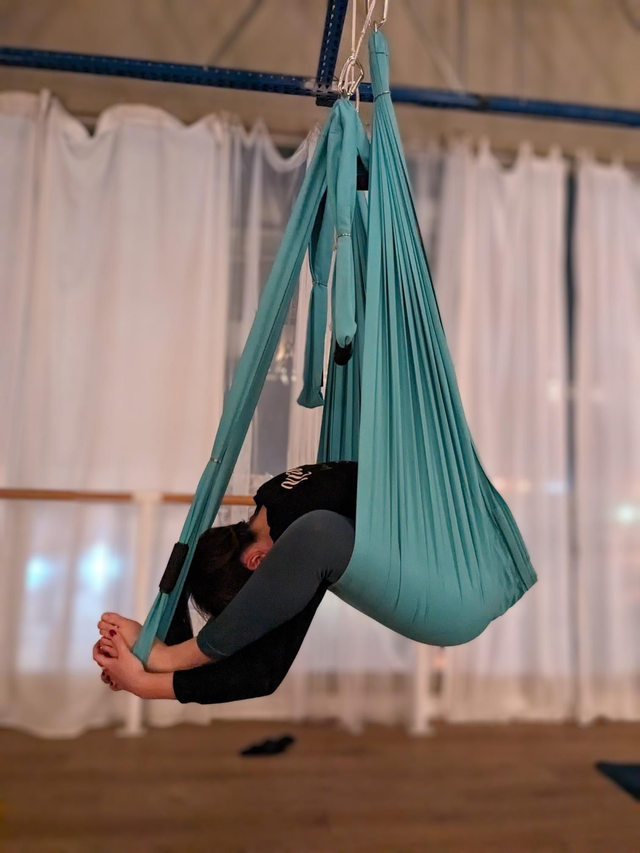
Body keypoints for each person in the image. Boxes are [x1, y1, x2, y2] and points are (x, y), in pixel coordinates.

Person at [94, 461, 358, 703]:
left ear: (257, 561)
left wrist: (148, 673)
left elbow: (261, 672)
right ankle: (166, 658)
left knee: (310, 545)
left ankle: (166, 658)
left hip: (393, 522)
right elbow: (255, 655)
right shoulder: (272, 497)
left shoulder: (304, 533)